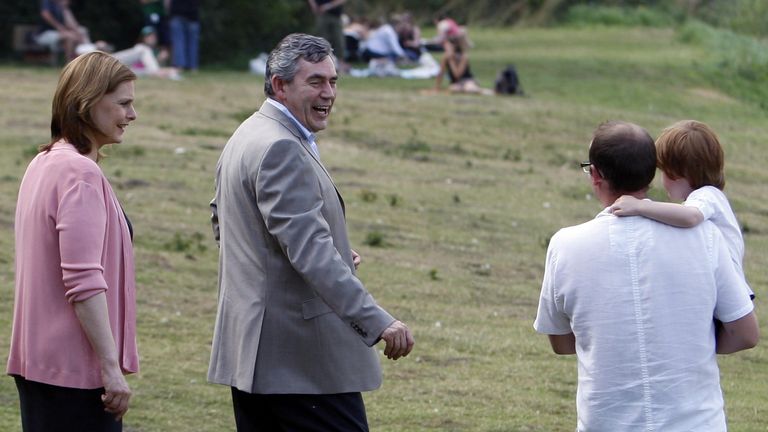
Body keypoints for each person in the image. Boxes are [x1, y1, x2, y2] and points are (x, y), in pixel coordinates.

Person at [208, 33, 415, 431]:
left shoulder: (249, 133)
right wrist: (378, 321)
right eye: (316, 82)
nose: (329, 93)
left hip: (257, 356)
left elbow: (227, 223)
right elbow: (311, 253)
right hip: (297, 362)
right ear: (280, 85)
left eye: (333, 81)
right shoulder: (279, 147)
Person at [534, 121, 758, 431]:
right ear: (651, 173)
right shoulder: (705, 237)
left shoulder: (565, 245)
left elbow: (560, 342)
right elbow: (745, 334)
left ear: (596, 174)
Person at [7, 51, 139, 432]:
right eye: (123, 104)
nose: (132, 115)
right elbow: (82, 283)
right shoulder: (79, 174)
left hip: (40, 363)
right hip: (73, 371)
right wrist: (111, 369)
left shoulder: (45, 161)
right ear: (87, 103)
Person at [610, 120, 753, 298]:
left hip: (730, 294)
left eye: (665, 172)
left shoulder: (708, 196)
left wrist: (640, 206)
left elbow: (690, 217)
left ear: (680, 174)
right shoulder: (708, 197)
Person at [308, 0, 348, 71]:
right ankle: (321, 64)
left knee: (339, 41)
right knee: (321, 41)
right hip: (322, 14)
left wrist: (328, 6)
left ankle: (341, 66)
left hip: (335, 15)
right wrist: (313, 5)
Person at [168, 0, 201, 71]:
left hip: (177, 13)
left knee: (178, 42)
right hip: (192, 14)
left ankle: (180, 66)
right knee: (193, 44)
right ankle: (193, 67)